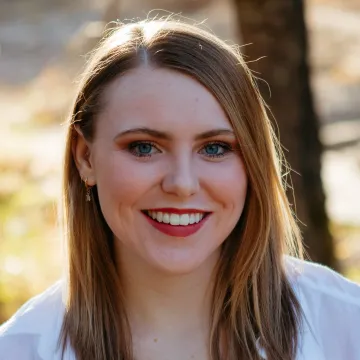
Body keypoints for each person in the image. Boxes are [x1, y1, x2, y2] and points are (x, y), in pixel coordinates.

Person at [0, 18, 359, 360]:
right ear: (85, 158)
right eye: (144, 147)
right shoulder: (20, 350)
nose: (182, 184)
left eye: (215, 148)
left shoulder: (345, 328)